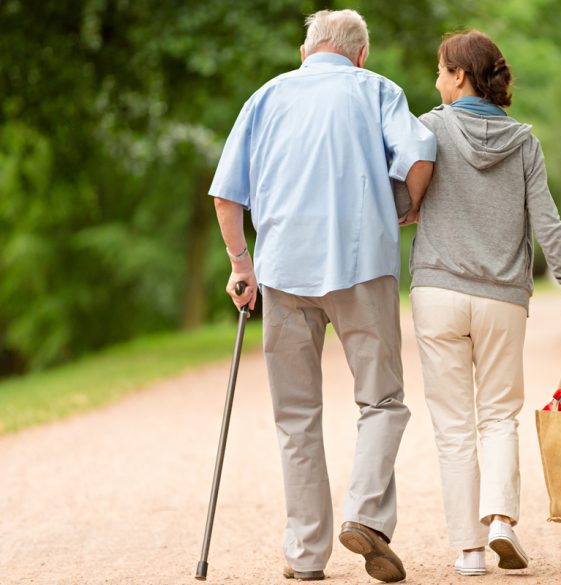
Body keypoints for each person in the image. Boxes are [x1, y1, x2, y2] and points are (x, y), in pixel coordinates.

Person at [208, 9, 435, 583]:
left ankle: (306, 555)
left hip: (284, 272)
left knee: (295, 416)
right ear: (360, 54)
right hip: (362, 266)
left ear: (305, 51)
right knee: (382, 401)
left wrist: (242, 265)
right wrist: (404, 208)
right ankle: (365, 515)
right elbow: (421, 155)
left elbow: (226, 197)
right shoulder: (378, 90)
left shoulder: (266, 97)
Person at [407, 30, 561, 577]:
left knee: (453, 427)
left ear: (460, 76)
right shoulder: (524, 142)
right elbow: (548, 225)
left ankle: (468, 551)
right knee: (497, 418)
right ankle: (502, 523)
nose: (437, 81)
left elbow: (403, 199)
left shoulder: (430, 128)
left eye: (442, 71)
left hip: (438, 292)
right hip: (502, 301)